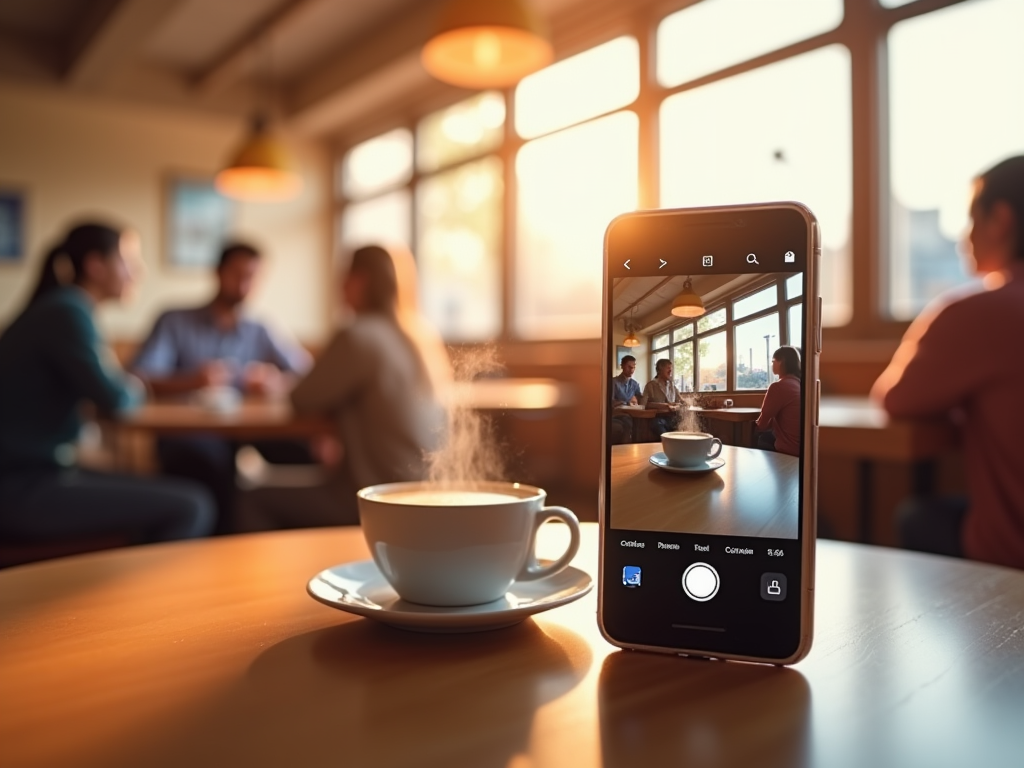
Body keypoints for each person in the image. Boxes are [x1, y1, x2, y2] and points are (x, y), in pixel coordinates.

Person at [0, 223, 214, 546]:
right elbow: (116, 397)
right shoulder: (67, 312)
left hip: (33, 474)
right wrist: (136, 384)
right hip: (21, 485)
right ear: (96, 266)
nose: (138, 272)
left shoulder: (62, 307)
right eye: (128, 261)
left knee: (169, 492)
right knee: (192, 505)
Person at [871, 156, 1024, 568]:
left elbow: (894, 398)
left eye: (972, 219)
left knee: (915, 517)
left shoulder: (980, 313)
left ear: (1001, 219)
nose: (964, 237)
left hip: (1010, 553)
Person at [238, 244, 452, 529]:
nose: (339, 286)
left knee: (250, 497)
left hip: (373, 497)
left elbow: (303, 399)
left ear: (360, 280)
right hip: (427, 495)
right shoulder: (421, 336)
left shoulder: (357, 335)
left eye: (343, 277)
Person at [131, 242, 312, 533]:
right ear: (217, 273)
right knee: (210, 471)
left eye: (253, 276)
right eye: (237, 273)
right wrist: (192, 380)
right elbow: (138, 377)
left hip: (250, 430)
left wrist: (274, 382)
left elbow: (309, 377)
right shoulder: (175, 321)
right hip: (190, 433)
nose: (245, 283)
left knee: (308, 453)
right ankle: (212, 554)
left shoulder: (261, 329)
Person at [755, 346, 802, 456]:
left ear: (782, 362)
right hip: (802, 448)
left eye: (773, 361)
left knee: (759, 437)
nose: (772, 365)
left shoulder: (778, 387)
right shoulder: (799, 384)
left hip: (789, 448)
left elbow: (762, 425)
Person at [641, 359, 686, 439]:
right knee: (657, 424)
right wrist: (666, 405)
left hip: (673, 418)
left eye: (671, 368)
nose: (670, 371)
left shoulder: (672, 385)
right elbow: (644, 404)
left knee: (684, 422)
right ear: (660, 369)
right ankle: (668, 445)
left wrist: (678, 405)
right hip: (658, 418)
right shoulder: (650, 385)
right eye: (668, 368)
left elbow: (681, 401)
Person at [611, 355, 641, 444]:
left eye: (634, 367)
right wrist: (626, 402)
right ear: (622, 366)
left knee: (641, 424)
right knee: (627, 422)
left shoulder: (635, 384)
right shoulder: (613, 382)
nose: (632, 369)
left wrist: (637, 401)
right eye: (629, 367)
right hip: (617, 414)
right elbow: (610, 402)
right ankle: (625, 450)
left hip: (633, 413)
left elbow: (639, 400)